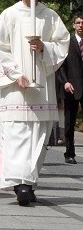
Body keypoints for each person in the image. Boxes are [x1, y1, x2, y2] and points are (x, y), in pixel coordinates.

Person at [0, 0, 69, 206]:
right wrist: (16, 75)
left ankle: (29, 182)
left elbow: (62, 45)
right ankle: (21, 184)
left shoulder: (50, 16)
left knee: (38, 135)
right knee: (16, 134)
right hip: (16, 88)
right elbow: (2, 49)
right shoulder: (9, 15)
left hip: (41, 87)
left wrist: (44, 47)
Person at [56, 9, 83, 164]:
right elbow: (62, 66)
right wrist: (65, 81)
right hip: (71, 87)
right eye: (78, 23)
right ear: (73, 25)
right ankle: (69, 153)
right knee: (69, 122)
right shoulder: (68, 43)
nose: (81, 26)